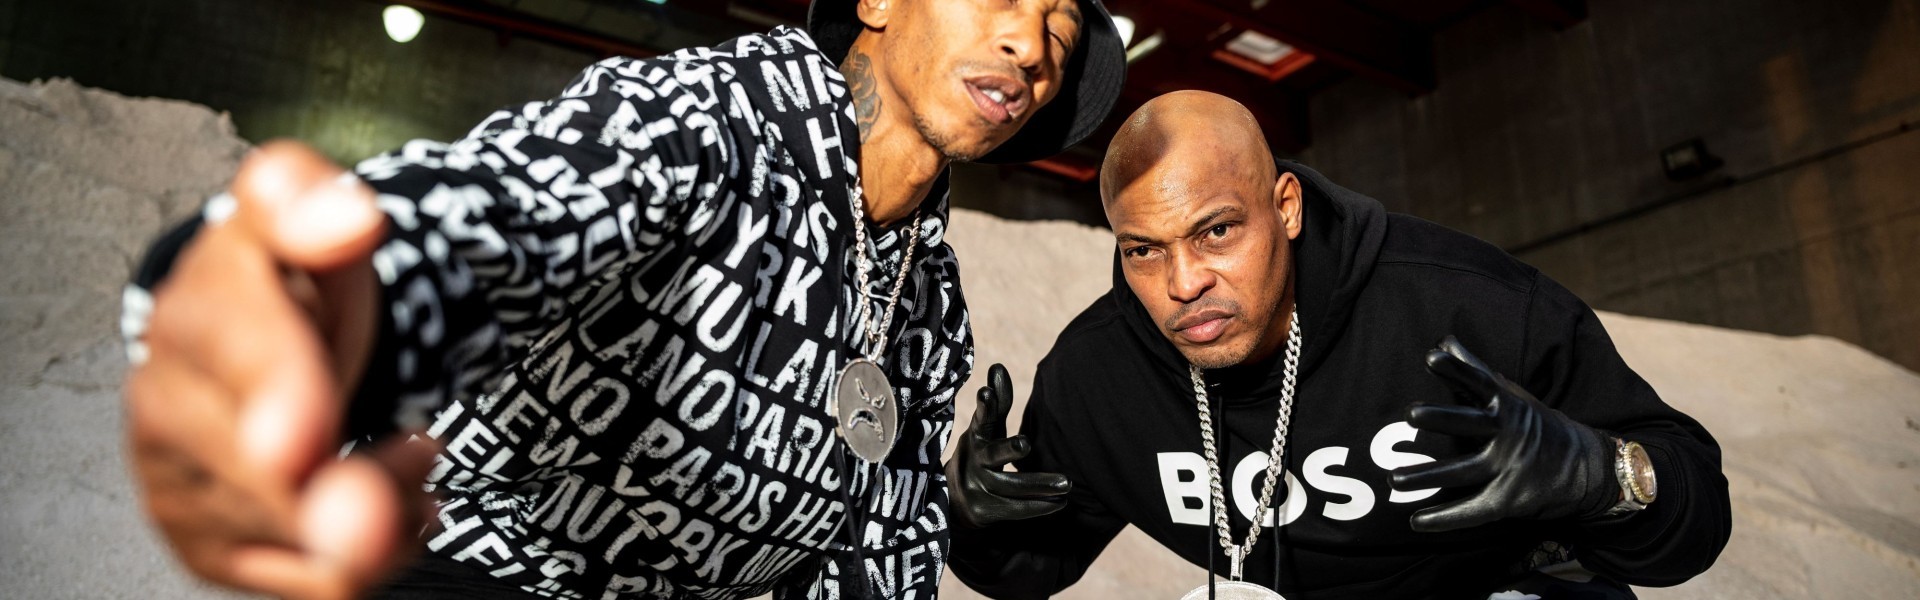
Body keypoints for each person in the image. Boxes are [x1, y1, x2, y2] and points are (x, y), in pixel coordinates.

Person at [118, 1, 1125, 598]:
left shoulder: (930, 298)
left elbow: (875, 550)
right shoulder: (707, 118)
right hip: (477, 571)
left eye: (1061, 27)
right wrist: (327, 293)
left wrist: (965, 526)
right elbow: (525, 204)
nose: (1032, 45)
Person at [945, 91, 1731, 599]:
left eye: (1216, 232)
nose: (1183, 283)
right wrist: (970, 519)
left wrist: (1603, 476)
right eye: (1144, 250)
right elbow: (1027, 571)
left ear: (1285, 206)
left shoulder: (1466, 305)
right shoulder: (1099, 376)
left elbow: (1695, 521)